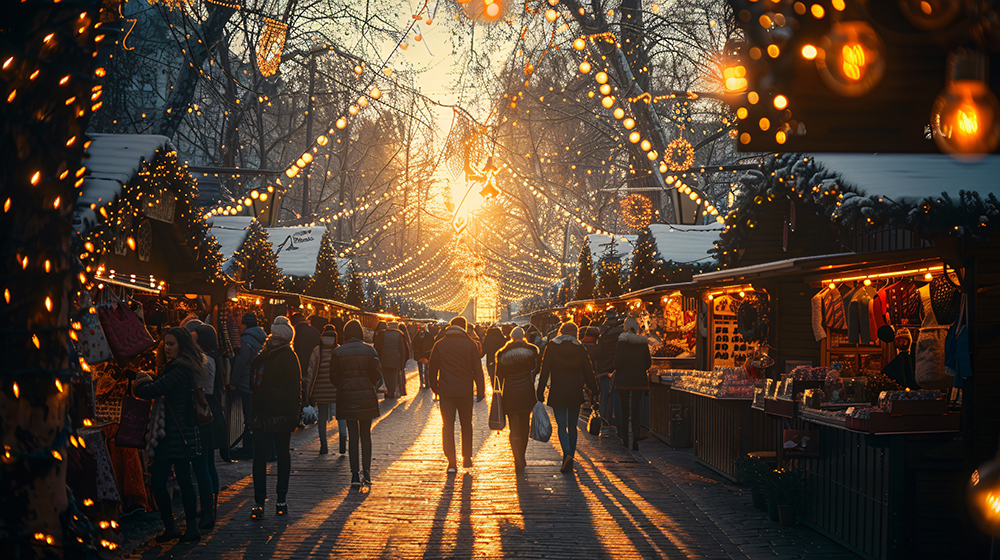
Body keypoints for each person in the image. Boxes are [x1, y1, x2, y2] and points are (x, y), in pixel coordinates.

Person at [133, 328, 204, 543]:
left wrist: (139, 380)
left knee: (159, 482)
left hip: (173, 436)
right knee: (183, 481)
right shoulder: (181, 368)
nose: (167, 347)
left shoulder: (179, 370)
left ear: (181, 345)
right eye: (165, 344)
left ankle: (175, 526)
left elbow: (151, 391)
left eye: (172, 344)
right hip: (180, 435)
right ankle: (186, 527)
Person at [248, 316, 301, 519]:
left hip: (265, 414)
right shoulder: (287, 356)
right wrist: (294, 414)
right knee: (281, 457)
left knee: (261, 459)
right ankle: (279, 500)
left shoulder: (266, 354)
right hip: (279, 415)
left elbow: (254, 384)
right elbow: (295, 388)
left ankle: (262, 501)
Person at [536, 322, 599, 473]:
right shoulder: (580, 348)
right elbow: (588, 371)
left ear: (561, 332)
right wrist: (594, 390)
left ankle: (567, 454)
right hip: (574, 391)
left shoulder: (552, 346)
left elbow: (544, 370)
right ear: (575, 333)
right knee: (572, 426)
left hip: (558, 390)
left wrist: (540, 390)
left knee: (561, 426)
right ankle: (570, 454)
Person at [329, 319, 382, 487]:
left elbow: (333, 377)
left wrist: (344, 387)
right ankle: (366, 471)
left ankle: (353, 475)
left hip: (346, 397)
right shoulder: (369, 349)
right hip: (366, 397)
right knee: (366, 435)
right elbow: (376, 374)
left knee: (353, 435)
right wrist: (369, 386)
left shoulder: (338, 352)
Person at [429, 316, 486, 473]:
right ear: (465, 327)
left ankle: (452, 462)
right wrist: (480, 391)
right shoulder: (471, 345)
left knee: (447, 426)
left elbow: (432, 368)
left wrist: (435, 388)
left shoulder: (439, 345)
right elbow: (478, 370)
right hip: (465, 391)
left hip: (446, 392)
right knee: (466, 424)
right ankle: (467, 457)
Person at [189, 323, 222, 531]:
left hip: (203, 413)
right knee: (208, 463)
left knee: (203, 465)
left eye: (193, 339)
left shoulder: (204, 360)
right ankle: (210, 507)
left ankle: (208, 512)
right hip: (211, 412)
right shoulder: (211, 358)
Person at [494, 327, 539, 473]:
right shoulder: (532, 351)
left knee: (514, 428)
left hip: (510, 394)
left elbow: (498, 376)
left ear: (511, 337)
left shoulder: (502, 354)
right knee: (525, 426)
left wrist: (497, 392)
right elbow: (535, 368)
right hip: (527, 392)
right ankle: (522, 455)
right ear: (524, 336)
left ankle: (516, 457)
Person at [305, 324, 346, 455]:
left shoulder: (317, 350)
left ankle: (323, 445)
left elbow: (311, 371)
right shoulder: (339, 350)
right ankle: (342, 444)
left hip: (320, 390)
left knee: (322, 417)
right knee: (341, 416)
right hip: (336, 390)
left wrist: (308, 391)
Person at [229, 313, 266, 455]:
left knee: (248, 415)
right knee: (253, 414)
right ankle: (253, 445)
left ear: (244, 325)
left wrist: (233, 382)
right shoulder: (262, 338)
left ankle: (249, 447)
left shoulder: (245, 340)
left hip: (246, 383)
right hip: (257, 382)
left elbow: (241, 362)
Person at [614, 317, 652, 451]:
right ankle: (635, 438)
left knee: (625, 410)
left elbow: (617, 363)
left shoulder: (621, 343)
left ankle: (625, 438)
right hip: (638, 380)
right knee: (636, 409)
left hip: (623, 381)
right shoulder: (642, 343)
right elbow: (648, 363)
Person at [595, 310, 624, 436]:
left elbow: (599, 352)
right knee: (616, 395)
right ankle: (619, 423)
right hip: (616, 368)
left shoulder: (603, 335)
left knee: (604, 395)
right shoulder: (621, 335)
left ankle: (604, 420)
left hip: (603, 368)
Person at [380, 322, 411, 399]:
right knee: (394, 375)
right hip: (396, 358)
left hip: (385, 356)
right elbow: (402, 348)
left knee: (386, 375)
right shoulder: (399, 334)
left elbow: (379, 346)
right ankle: (392, 391)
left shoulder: (383, 333)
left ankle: (389, 390)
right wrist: (403, 361)